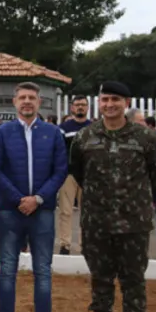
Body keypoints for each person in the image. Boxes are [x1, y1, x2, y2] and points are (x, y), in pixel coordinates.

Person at [69, 81, 156, 312]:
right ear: (98, 103)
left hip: (133, 222)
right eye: (105, 99)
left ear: (126, 102)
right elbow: (77, 172)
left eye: (116, 99)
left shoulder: (146, 138)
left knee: (133, 279)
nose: (110, 104)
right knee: (100, 278)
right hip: (96, 221)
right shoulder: (85, 136)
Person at [0, 82, 68, 312]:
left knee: (43, 271)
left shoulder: (53, 133)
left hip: (42, 211)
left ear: (39, 101)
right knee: (8, 270)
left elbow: (60, 170)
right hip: (12, 211)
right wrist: (18, 199)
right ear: (14, 102)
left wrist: (39, 199)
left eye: (31, 98)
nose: (27, 102)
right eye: (22, 97)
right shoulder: (2, 133)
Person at [56, 95, 92, 255]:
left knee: (88, 212)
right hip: (68, 175)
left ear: (88, 108)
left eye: (83, 105)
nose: (80, 108)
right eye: (77, 105)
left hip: (89, 175)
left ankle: (86, 245)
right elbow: (59, 151)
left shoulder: (94, 127)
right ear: (72, 108)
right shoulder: (63, 128)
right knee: (65, 211)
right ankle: (65, 244)